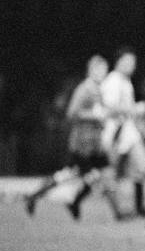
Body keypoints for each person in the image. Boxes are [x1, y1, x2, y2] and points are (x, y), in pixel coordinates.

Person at [25, 55, 123, 219]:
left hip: (95, 144)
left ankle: (114, 213)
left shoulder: (98, 89)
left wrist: (114, 114)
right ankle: (38, 196)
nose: (103, 74)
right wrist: (94, 115)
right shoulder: (83, 89)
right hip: (82, 144)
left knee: (104, 175)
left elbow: (104, 111)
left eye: (104, 71)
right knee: (84, 176)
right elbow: (71, 114)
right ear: (91, 70)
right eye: (100, 70)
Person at [101, 46, 145, 217]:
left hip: (128, 132)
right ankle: (118, 211)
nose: (131, 65)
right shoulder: (112, 81)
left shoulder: (125, 81)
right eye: (128, 61)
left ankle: (138, 207)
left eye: (133, 62)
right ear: (118, 62)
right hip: (115, 132)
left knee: (143, 166)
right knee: (110, 174)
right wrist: (135, 109)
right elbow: (109, 108)